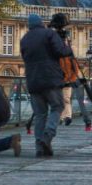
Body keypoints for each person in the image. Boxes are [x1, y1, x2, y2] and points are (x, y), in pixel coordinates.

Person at [20, 13, 73, 157]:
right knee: (57, 107)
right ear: (41, 23)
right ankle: (48, 136)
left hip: (33, 80)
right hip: (50, 79)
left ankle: (39, 147)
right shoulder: (49, 34)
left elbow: (25, 58)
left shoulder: (24, 39)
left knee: (40, 114)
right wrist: (68, 47)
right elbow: (61, 52)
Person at [49, 13, 92, 132]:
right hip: (64, 75)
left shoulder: (58, 40)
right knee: (64, 99)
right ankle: (65, 117)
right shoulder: (57, 41)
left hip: (65, 75)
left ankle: (66, 117)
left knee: (64, 98)